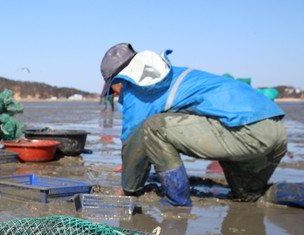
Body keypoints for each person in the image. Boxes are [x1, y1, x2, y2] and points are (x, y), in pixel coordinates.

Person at [100, 43, 287, 206]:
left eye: (112, 88)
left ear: (122, 79)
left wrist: (128, 188)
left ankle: (177, 202)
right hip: (275, 130)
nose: (114, 94)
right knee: (250, 196)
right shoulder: (174, 75)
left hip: (247, 132)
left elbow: (135, 139)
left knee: (153, 127)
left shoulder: (136, 92)